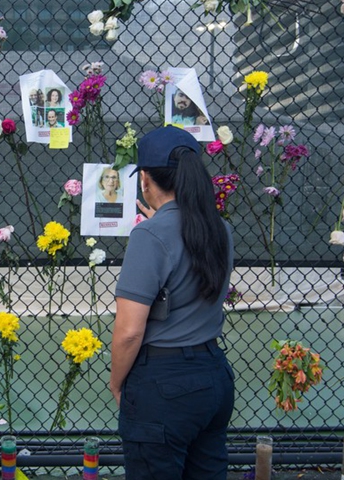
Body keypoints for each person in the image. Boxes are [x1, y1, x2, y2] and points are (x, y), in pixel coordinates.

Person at [109, 126, 234, 479]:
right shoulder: (219, 229)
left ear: (145, 179)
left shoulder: (150, 235)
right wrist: (161, 225)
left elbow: (130, 332)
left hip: (164, 387)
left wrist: (117, 383)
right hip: (214, 378)